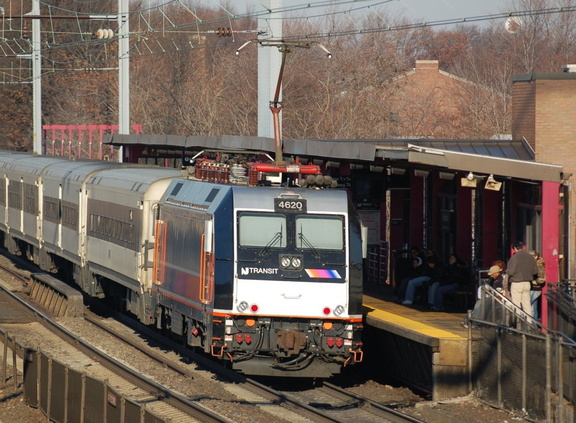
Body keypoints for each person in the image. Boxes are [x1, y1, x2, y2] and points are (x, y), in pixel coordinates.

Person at [506, 241, 538, 321]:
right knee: (527, 304)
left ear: (515, 248)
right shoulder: (530, 257)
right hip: (527, 283)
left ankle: (518, 324)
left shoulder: (514, 258)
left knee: (516, 305)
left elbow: (510, 272)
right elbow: (535, 272)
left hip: (517, 282)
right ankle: (529, 324)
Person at [529, 251, 546, 320]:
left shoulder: (537, 266)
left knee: (530, 308)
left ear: (536, 257)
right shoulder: (535, 264)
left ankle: (532, 326)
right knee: (533, 308)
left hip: (534, 289)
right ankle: (534, 326)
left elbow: (542, 279)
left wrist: (532, 282)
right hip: (534, 289)